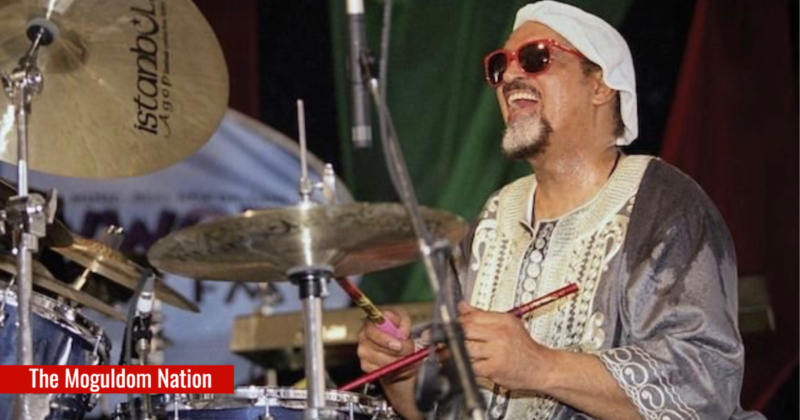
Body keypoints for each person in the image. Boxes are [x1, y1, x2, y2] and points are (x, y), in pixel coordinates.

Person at [356, 2, 766, 420]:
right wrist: (403, 373)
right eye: (500, 65)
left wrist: (538, 366)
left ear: (600, 85)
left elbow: (703, 385)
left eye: (535, 58)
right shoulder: (491, 221)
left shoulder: (663, 204)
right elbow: (447, 408)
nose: (509, 76)